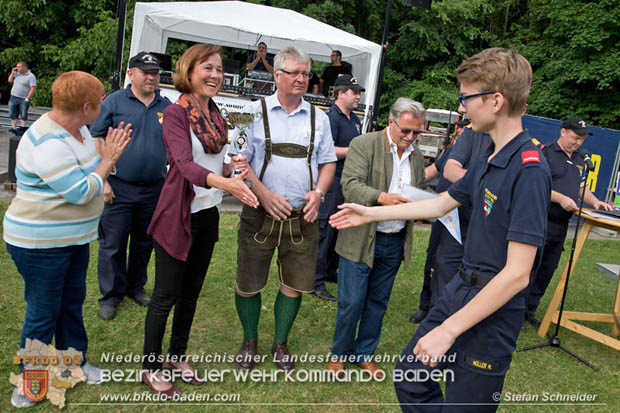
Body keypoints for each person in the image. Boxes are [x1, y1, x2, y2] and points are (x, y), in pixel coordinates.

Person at [330, 48, 551, 411]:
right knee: (410, 375)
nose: (462, 107)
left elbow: (517, 274)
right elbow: (439, 203)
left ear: (495, 100)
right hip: (461, 288)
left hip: (492, 308)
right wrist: (368, 213)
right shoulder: (487, 155)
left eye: (467, 98)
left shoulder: (529, 169)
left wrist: (449, 331)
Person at [4, 71, 131, 408]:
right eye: (100, 101)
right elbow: (79, 191)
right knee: (43, 312)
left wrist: (102, 163)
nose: (103, 107)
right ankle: (30, 384)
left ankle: (74, 364)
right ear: (87, 106)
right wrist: (108, 161)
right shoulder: (47, 142)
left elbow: (89, 171)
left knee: (70, 303)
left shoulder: (79, 129)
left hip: (72, 239)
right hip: (39, 245)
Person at [141, 44, 258, 396]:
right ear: (189, 71)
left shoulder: (217, 114)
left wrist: (230, 169)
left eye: (220, 69)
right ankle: (149, 367)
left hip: (207, 213)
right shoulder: (176, 114)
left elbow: (212, 162)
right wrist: (226, 183)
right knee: (165, 295)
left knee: (190, 294)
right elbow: (184, 165)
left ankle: (176, 356)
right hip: (177, 216)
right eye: (208, 68)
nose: (215, 75)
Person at [230, 46, 336, 372]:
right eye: (295, 72)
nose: (302, 78)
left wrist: (319, 192)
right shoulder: (249, 111)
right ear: (277, 75)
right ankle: (250, 339)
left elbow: (328, 162)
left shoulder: (321, 117)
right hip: (259, 213)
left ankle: (280, 342)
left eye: (306, 73)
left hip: (301, 215)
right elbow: (236, 162)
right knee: (247, 281)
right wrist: (262, 194)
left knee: (294, 282)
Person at [327, 97, 427, 379]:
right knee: (352, 302)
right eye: (405, 131)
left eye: (416, 133)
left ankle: (364, 354)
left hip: (394, 239)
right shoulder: (364, 144)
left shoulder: (416, 154)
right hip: (359, 238)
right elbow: (350, 185)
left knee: (378, 302)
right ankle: (339, 354)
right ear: (390, 122)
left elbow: (417, 189)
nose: (410, 138)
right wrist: (381, 198)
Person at [90, 52, 171, 320]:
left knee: (144, 242)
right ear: (131, 74)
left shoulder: (166, 105)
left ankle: (135, 287)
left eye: (155, 72)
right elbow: (97, 139)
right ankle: (110, 295)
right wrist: (102, 177)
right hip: (119, 185)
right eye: (145, 72)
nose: (151, 77)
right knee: (112, 244)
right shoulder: (114, 101)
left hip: (154, 188)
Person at [524, 117, 613, 328]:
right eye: (575, 137)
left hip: (562, 225)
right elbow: (539, 186)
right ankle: (514, 311)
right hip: (540, 220)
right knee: (529, 267)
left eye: (582, 139)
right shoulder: (545, 154)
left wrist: (596, 202)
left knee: (548, 269)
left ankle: (530, 309)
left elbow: (581, 188)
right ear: (563, 132)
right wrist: (561, 198)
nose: (578, 143)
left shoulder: (581, 159)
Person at [313, 74, 364, 301]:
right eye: (354, 92)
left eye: (359, 92)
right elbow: (327, 151)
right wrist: (355, 150)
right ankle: (314, 280)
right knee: (324, 230)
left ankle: (328, 271)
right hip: (331, 180)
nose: (358, 96)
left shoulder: (354, 119)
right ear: (341, 93)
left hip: (347, 181)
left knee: (339, 228)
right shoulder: (330, 118)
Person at [7, 61, 36, 133]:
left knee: (23, 113)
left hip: (23, 98)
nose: (17, 68)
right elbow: (10, 80)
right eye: (17, 67)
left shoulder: (31, 76)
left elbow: (33, 88)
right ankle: (13, 128)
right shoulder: (17, 74)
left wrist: (28, 97)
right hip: (14, 96)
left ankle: (23, 128)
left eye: (19, 67)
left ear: (24, 67)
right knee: (13, 113)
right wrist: (12, 73)